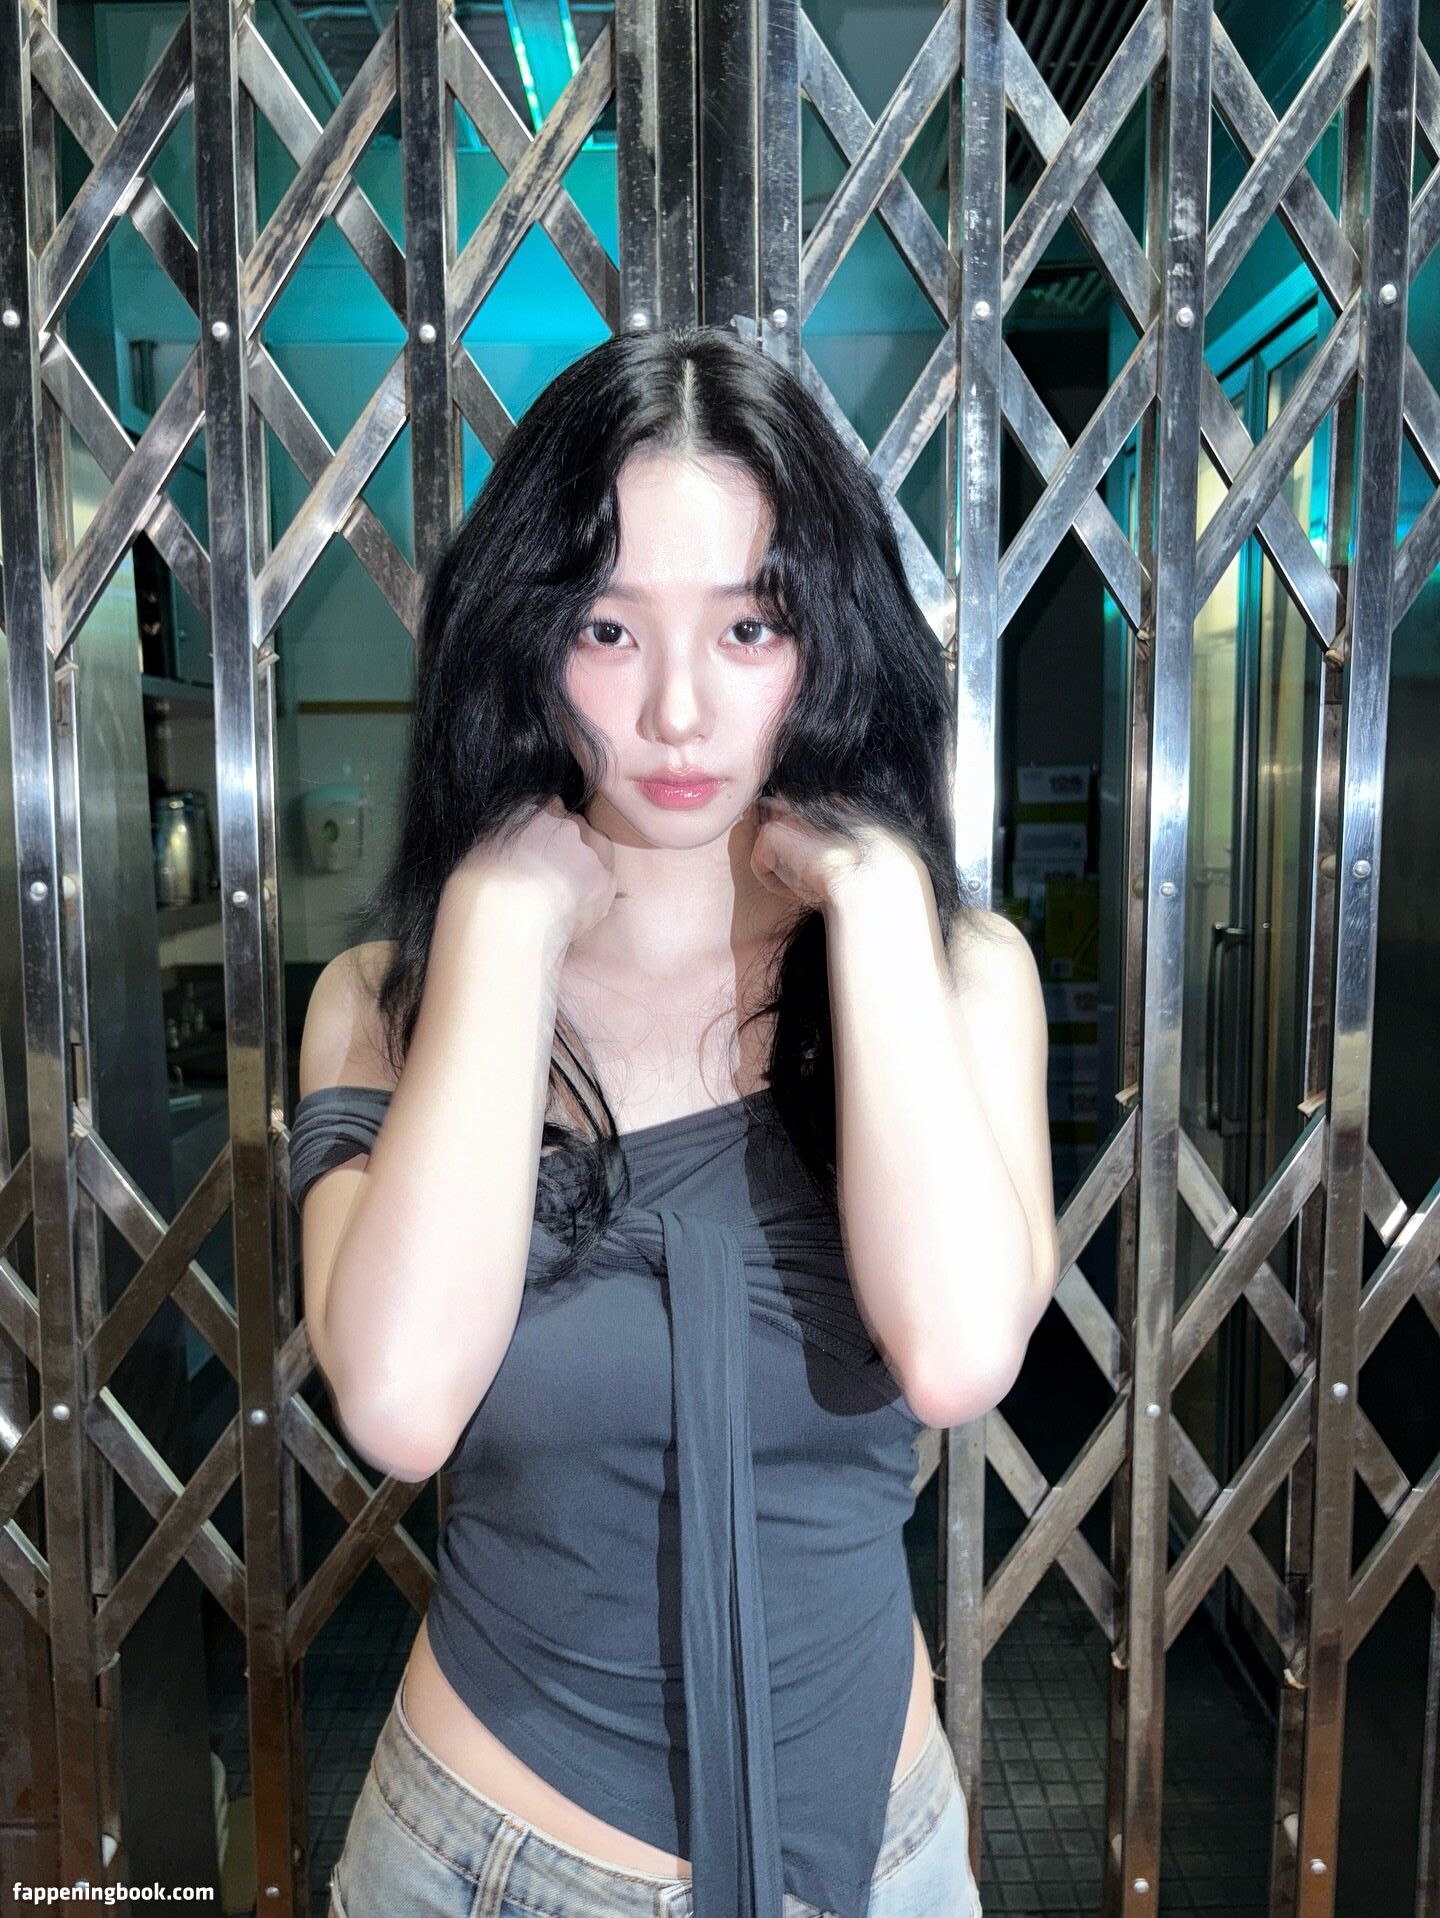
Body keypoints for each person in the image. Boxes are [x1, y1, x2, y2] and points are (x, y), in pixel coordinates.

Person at [291, 322, 1057, 1918]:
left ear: (827, 636)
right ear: (527, 641)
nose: (682, 711)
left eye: (750, 625)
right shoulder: (388, 1002)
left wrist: (874, 896)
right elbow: (400, 1404)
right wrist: (504, 921)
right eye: (608, 628)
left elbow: (955, 1353)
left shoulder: (957, 976)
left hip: (879, 1867)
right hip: (487, 1869)